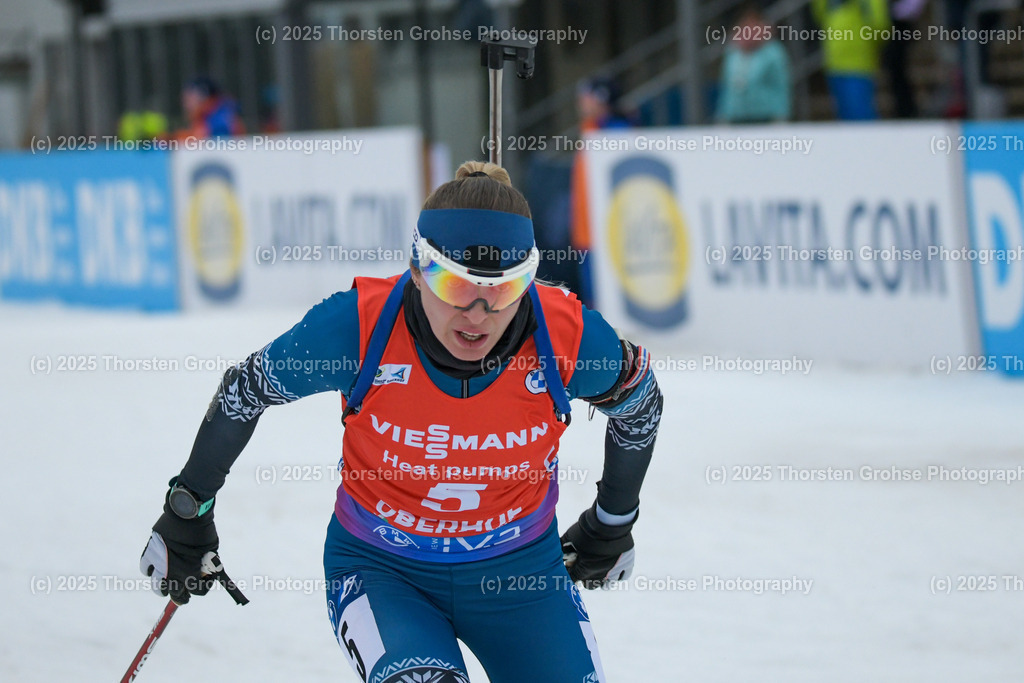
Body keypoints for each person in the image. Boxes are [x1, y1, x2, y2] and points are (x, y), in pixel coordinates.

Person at [138, 161, 664, 682]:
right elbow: (245, 390)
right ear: (417, 268)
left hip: (521, 577)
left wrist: (612, 523)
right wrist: (188, 510)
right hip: (383, 573)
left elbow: (640, 403)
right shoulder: (356, 326)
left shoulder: (565, 334)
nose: (478, 315)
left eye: (503, 291)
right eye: (455, 286)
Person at [571, 77, 635, 309]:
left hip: (607, 231)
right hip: (586, 230)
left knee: (610, 300)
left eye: (586, 96)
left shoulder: (616, 133)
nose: (581, 102)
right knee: (593, 300)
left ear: (601, 99)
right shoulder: (591, 129)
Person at [811, 0, 891, 120]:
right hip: (835, 62)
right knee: (846, 117)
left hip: (858, 64)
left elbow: (880, 27)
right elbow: (820, 16)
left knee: (860, 117)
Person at [715, 2, 792, 124]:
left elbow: (782, 85)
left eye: (754, 27)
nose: (750, 32)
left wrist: (781, 116)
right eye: (746, 27)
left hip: (766, 117)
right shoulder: (732, 52)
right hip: (736, 117)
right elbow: (727, 88)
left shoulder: (773, 52)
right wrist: (723, 115)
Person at [175, 76, 246, 139]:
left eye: (189, 98)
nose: (185, 104)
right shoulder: (207, 116)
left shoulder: (219, 119)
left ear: (203, 97)